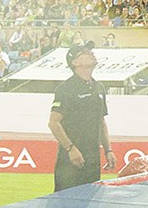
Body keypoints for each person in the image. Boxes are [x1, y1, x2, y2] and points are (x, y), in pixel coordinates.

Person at [48, 42, 116, 192]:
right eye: (85, 52)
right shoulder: (66, 89)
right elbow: (53, 123)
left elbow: (101, 121)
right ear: (75, 63)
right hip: (70, 161)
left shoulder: (99, 87)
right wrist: (70, 148)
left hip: (93, 159)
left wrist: (108, 150)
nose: (91, 53)